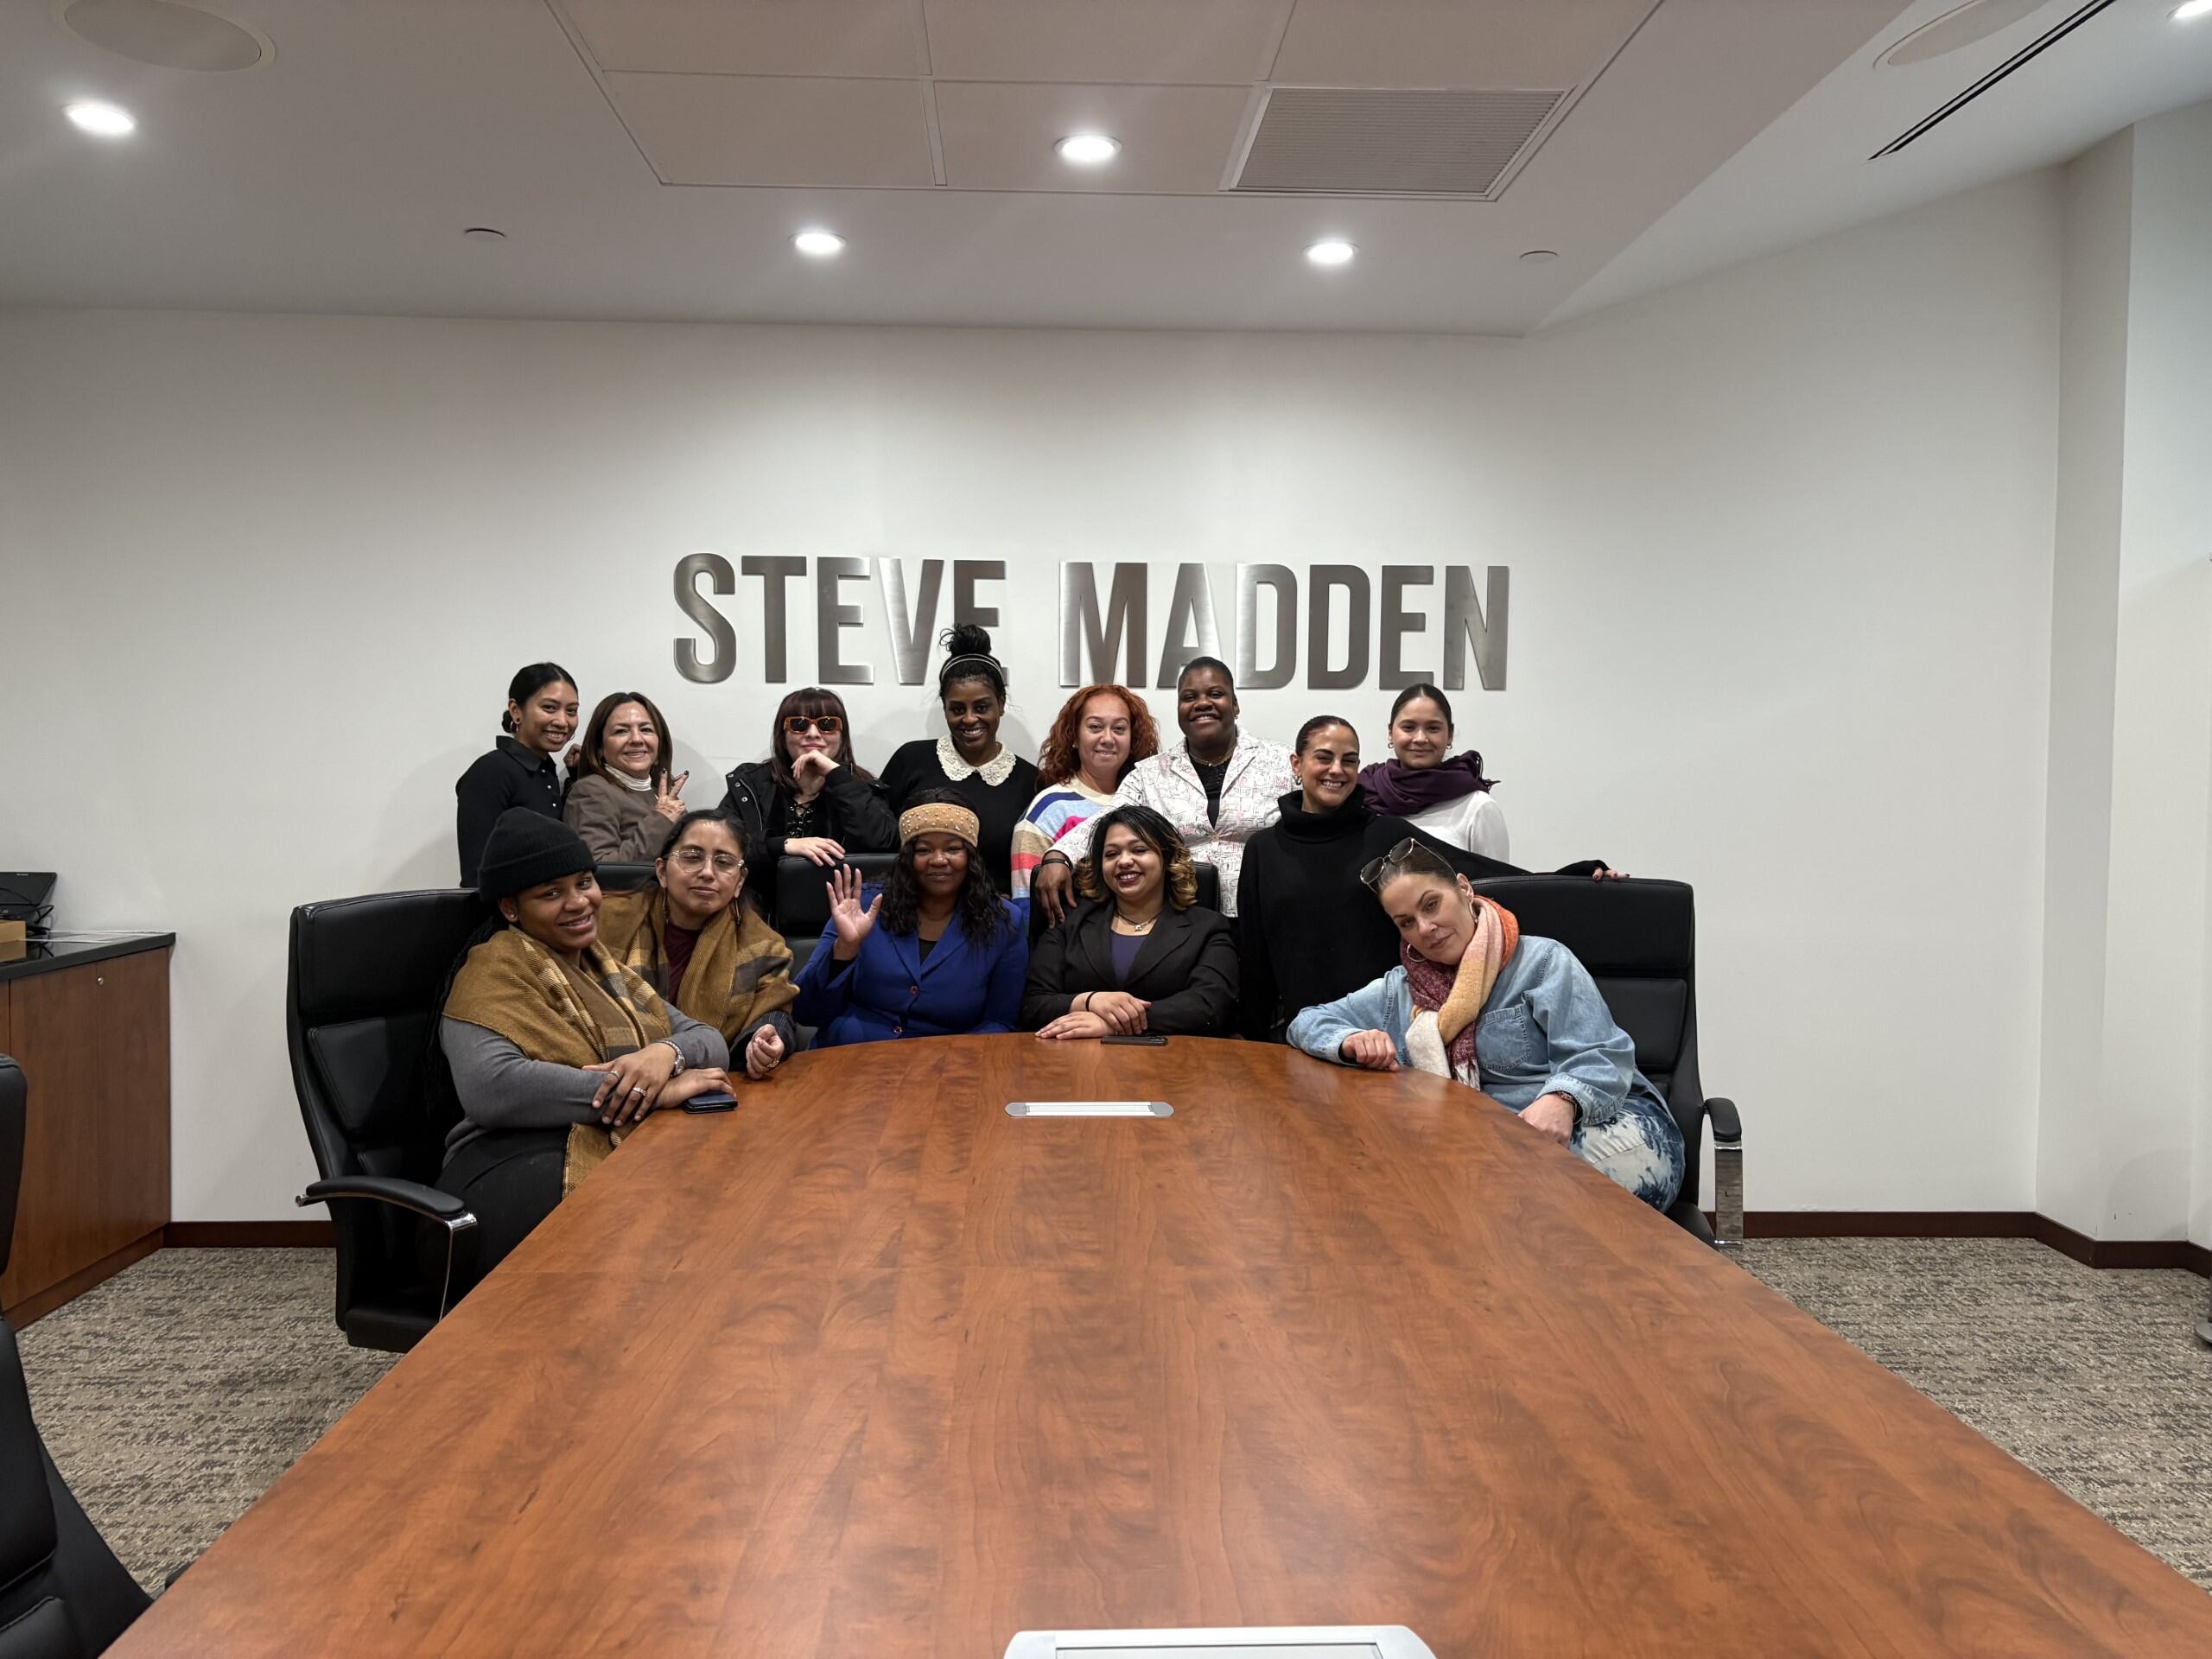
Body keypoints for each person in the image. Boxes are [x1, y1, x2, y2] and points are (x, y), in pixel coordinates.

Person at [1286, 838, 1684, 1212]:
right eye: (1406, 922)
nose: (1425, 928)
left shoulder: (1542, 962)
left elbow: (1603, 1056)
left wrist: (1563, 1100)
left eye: (1431, 905)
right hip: (1499, 1151)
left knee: (1498, 1203)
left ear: (1463, 889)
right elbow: (1307, 1022)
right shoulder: (1400, 993)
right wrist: (1349, 1038)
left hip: (1613, 1124)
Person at [436, 810, 733, 1283]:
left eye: (584, 882)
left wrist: (664, 1055)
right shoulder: (491, 972)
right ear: (512, 909)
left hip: (600, 1145)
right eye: (551, 893)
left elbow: (710, 1042)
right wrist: (648, 1092)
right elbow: (494, 1088)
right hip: (508, 1168)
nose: (579, 902)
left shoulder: (603, 968)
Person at [1237, 715, 1527, 1045]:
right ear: (1297, 763)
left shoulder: (1387, 834)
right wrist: (1251, 1039)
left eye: (1349, 761)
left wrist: (1578, 874)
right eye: (1323, 757)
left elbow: (1480, 872)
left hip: (1386, 1037)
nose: (1336, 770)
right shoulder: (1263, 849)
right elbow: (1255, 956)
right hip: (1307, 1036)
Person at [1031, 657, 1293, 921]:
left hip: (1270, 916)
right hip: (1184, 923)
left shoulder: (1282, 761)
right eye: (1189, 697)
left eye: (1215, 694)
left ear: (1235, 706)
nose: (1202, 703)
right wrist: (1058, 855)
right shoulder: (1149, 774)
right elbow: (1107, 820)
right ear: (1179, 709)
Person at [793, 792, 1027, 1046]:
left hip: (947, 1066)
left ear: (971, 856)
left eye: (953, 849)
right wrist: (845, 950)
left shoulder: (1004, 920)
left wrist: (953, 1059)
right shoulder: (864, 904)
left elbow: (1000, 1022)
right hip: (850, 1057)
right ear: (907, 858)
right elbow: (806, 1011)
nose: (938, 860)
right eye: (924, 850)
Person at [594, 810, 798, 1081]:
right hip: (607, 1078)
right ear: (661, 871)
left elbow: (775, 1008)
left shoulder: (764, 945)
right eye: (692, 857)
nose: (707, 872)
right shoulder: (604, 921)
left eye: (724, 862)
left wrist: (764, 1038)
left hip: (713, 1087)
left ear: (739, 882)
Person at [1022, 804, 1236, 1038]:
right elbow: (1033, 1005)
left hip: (1174, 1063)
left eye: (1139, 850)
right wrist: (1090, 1001)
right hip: (1077, 1061)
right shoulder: (1069, 921)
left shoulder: (1208, 927)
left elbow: (1210, 1007)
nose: (1124, 861)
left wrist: (1114, 1025)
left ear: (1167, 858)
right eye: (1112, 854)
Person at [875, 626, 1039, 897]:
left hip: (994, 928)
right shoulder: (911, 761)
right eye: (957, 709)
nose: (970, 719)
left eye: (982, 707)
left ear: (1001, 704)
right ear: (945, 708)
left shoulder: (1030, 781)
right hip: (913, 919)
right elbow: (880, 840)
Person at [716, 686, 897, 879]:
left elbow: (883, 845)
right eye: (799, 724)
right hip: (755, 905)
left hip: (838, 904)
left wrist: (838, 776)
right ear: (783, 733)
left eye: (827, 725)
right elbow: (720, 844)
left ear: (841, 736)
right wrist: (782, 845)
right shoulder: (751, 783)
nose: (813, 733)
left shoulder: (863, 788)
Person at [1009, 683, 1160, 901]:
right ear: (1074, 737)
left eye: (1119, 729)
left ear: (1132, 738)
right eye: (1095, 727)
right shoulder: (1049, 810)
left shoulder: (1150, 801)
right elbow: (1027, 907)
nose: (1108, 739)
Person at [454, 663, 578, 887]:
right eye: (550, 708)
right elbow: (477, 877)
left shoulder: (546, 771)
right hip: (509, 919)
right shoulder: (491, 771)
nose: (563, 721)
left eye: (571, 711)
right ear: (516, 711)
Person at [1360, 683, 1509, 859]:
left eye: (1433, 728)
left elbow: (1497, 883)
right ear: (1390, 733)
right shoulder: (1364, 795)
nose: (1421, 738)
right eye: (1408, 727)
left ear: (1450, 735)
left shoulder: (1478, 807)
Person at [563, 690, 688, 863]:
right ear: (599, 748)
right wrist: (661, 819)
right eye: (621, 731)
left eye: (646, 730)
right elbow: (601, 868)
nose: (637, 739)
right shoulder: (591, 791)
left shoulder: (662, 795)